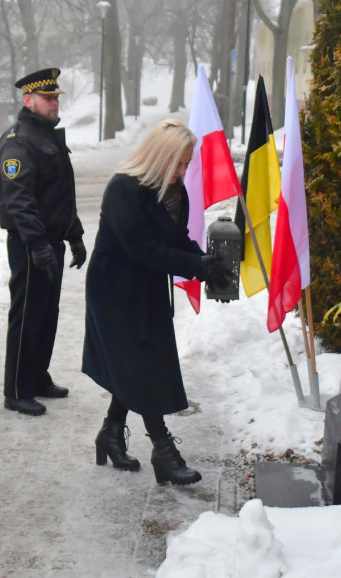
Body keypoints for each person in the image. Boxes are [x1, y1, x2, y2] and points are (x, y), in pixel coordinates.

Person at [81, 119, 232, 485]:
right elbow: (142, 248)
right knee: (141, 366)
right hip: (114, 290)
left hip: (147, 287)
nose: (182, 171)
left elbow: (176, 239)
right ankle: (163, 452)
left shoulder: (175, 191)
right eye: (177, 162)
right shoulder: (123, 188)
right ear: (159, 156)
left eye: (187, 163)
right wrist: (194, 265)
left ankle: (110, 433)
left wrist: (206, 264)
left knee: (138, 363)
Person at [0, 67, 86, 416]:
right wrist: (37, 244)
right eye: (47, 98)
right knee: (28, 315)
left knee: (47, 314)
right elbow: (19, 200)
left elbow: (59, 193)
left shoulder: (45, 135)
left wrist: (74, 234)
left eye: (55, 97)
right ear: (28, 100)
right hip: (30, 244)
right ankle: (17, 388)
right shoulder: (18, 141)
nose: (54, 103)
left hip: (51, 241)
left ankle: (37, 376)